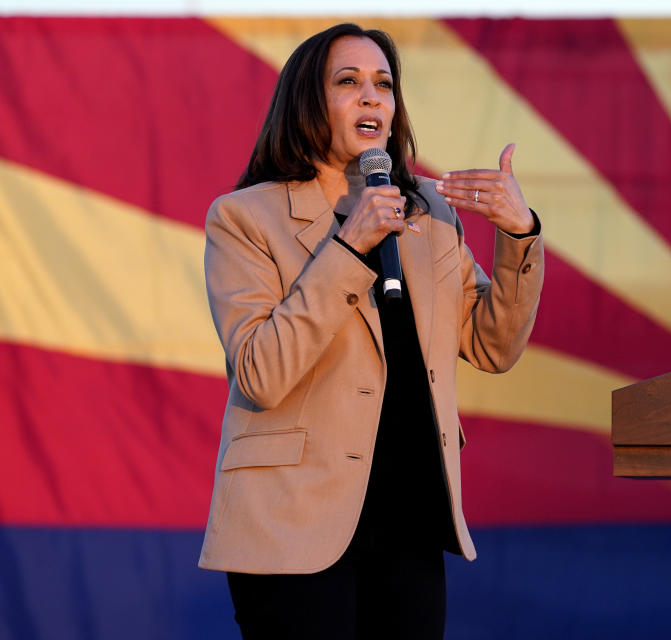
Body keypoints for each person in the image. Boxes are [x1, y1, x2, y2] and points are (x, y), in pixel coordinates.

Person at [197, 22, 544, 639]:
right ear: (310, 102)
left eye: (384, 85)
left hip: (410, 523)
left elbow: (492, 345)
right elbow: (260, 373)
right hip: (293, 527)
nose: (372, 98)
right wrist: (349, 244)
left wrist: (519, 235)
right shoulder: (245, 217)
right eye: (349, 82)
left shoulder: (430, 217)